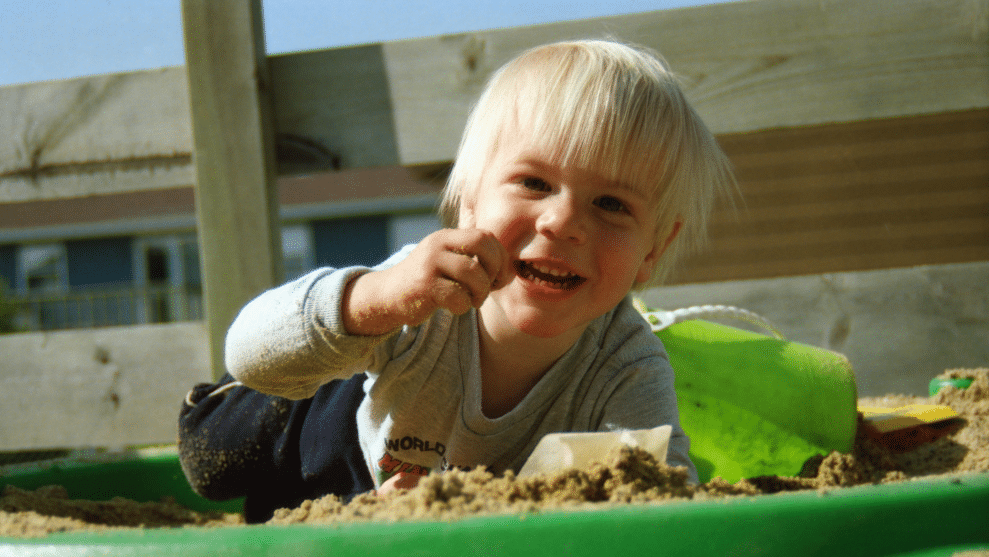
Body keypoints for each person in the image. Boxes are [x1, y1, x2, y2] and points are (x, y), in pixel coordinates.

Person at [178, 39, 738, 523]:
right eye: (535, 183)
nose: (563, 222)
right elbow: (250, 348)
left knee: (332, 509)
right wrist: (375, 301)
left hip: (389, 490)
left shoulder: (626, 368)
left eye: (611, 203)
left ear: (652, 252)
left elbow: (666, 497)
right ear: (469, 203)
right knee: (215, 453)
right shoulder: (417, 296)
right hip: (342, 407)